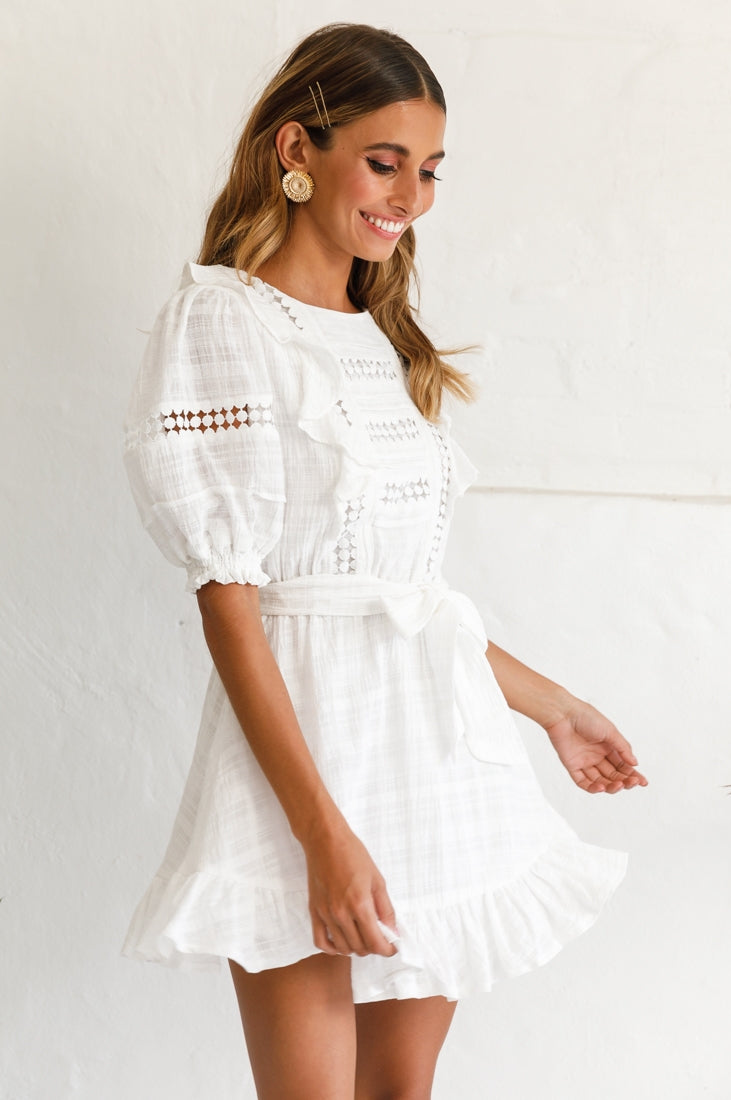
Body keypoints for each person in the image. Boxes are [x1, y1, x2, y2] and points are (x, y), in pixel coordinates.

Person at [122, 22, 647, 1099]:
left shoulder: (381, 336)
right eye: (384, 161)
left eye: (430, 169)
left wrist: (551, 706)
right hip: (304, 774)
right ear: (295, 150)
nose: (410, 195)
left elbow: (400, 598)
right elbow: (233, 603)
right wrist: (321, 834)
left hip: (425, 761)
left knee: (400, 1092)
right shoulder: (222, 320)